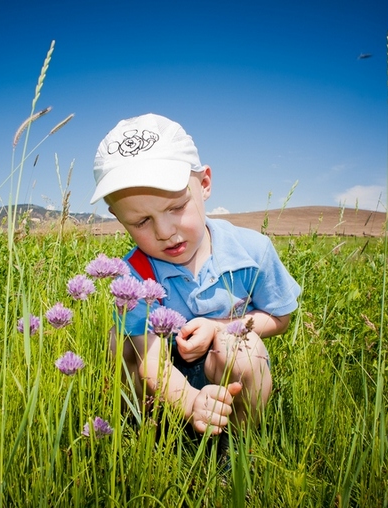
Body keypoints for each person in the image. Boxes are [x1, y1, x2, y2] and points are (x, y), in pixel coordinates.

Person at [91, 113, 301, 437]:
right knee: (120, 342)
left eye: (176, 208)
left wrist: (218, 328)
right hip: (161, 377)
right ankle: (135, 432)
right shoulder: (131, 276)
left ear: (204, 184)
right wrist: (190, 402)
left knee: (242, 349)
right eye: (141, 222)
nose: (165, 232)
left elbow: (281, 317)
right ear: (117, 217)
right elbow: (148, 354)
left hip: (222, 368)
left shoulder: (252, 252)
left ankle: (237, 449)